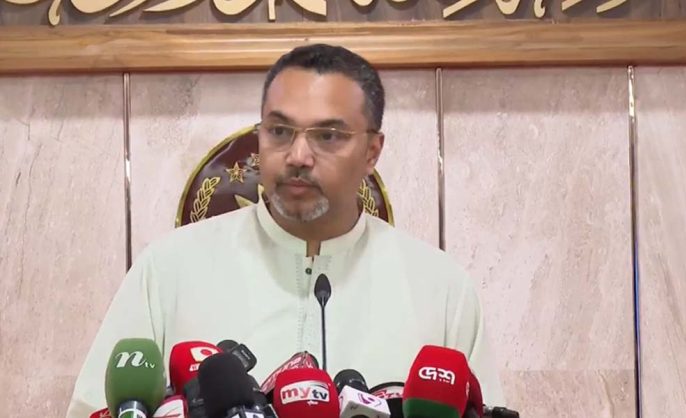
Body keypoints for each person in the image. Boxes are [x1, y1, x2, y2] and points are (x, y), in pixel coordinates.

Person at [65, 43, 505, 417]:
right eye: (279, 131)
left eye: (327, 136)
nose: (298, 155)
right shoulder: (169, 270)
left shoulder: (441, 289)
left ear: (372, 151)